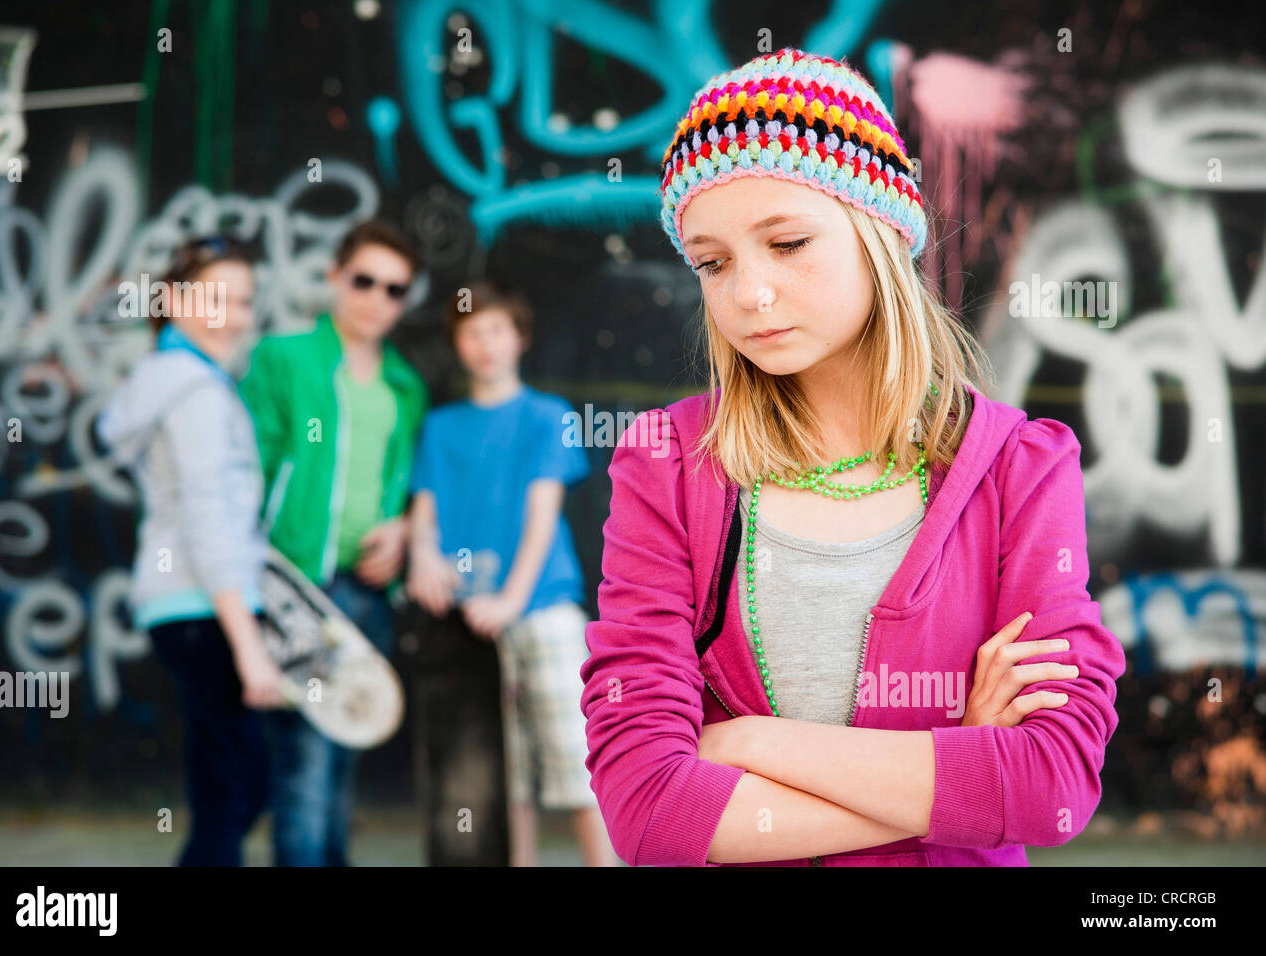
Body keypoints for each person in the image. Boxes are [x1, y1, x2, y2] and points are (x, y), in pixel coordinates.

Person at [580, 48, 1127, 866]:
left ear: (881, 232)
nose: (748, 294)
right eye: (712, 262)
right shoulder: (667, 464)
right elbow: (650, 815)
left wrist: (749, 742)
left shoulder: (1020, 466)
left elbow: (1050, 787)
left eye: (789, 242)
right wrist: (962, 769)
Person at [405, 280, 616, 866]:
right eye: (473, 332)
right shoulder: (441, 427)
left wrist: (511, 601)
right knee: (506, 784)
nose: (486, 344)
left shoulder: (547, 416)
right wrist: (422, 556)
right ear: (457, 343)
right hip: (466, 624)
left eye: (497, 329)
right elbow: (423, 514)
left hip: (540, 608)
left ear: (519, 338)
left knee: (581, 768)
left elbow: (540, 519)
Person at [239, 219, 430, 866]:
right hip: (296, 589)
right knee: (304, 771)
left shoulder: (405, 386)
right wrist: (255, 580)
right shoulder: (284, 358)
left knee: (344, 760)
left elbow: (400, 486)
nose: (377, 298)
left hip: (367, 593)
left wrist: (400, 533)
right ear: (334, 278)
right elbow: (250, 470)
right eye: (364, 280)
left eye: (394, 289)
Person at [97, 236, 278, 866]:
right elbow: (208, 520)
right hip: (206, 607)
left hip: (185, 607)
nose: (232, 315)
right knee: (230, 794)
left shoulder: (169, 379)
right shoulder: (194, 391)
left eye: (243, 301)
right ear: (173, 300)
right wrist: (249, 649)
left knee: (231, 789)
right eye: (215, 298)